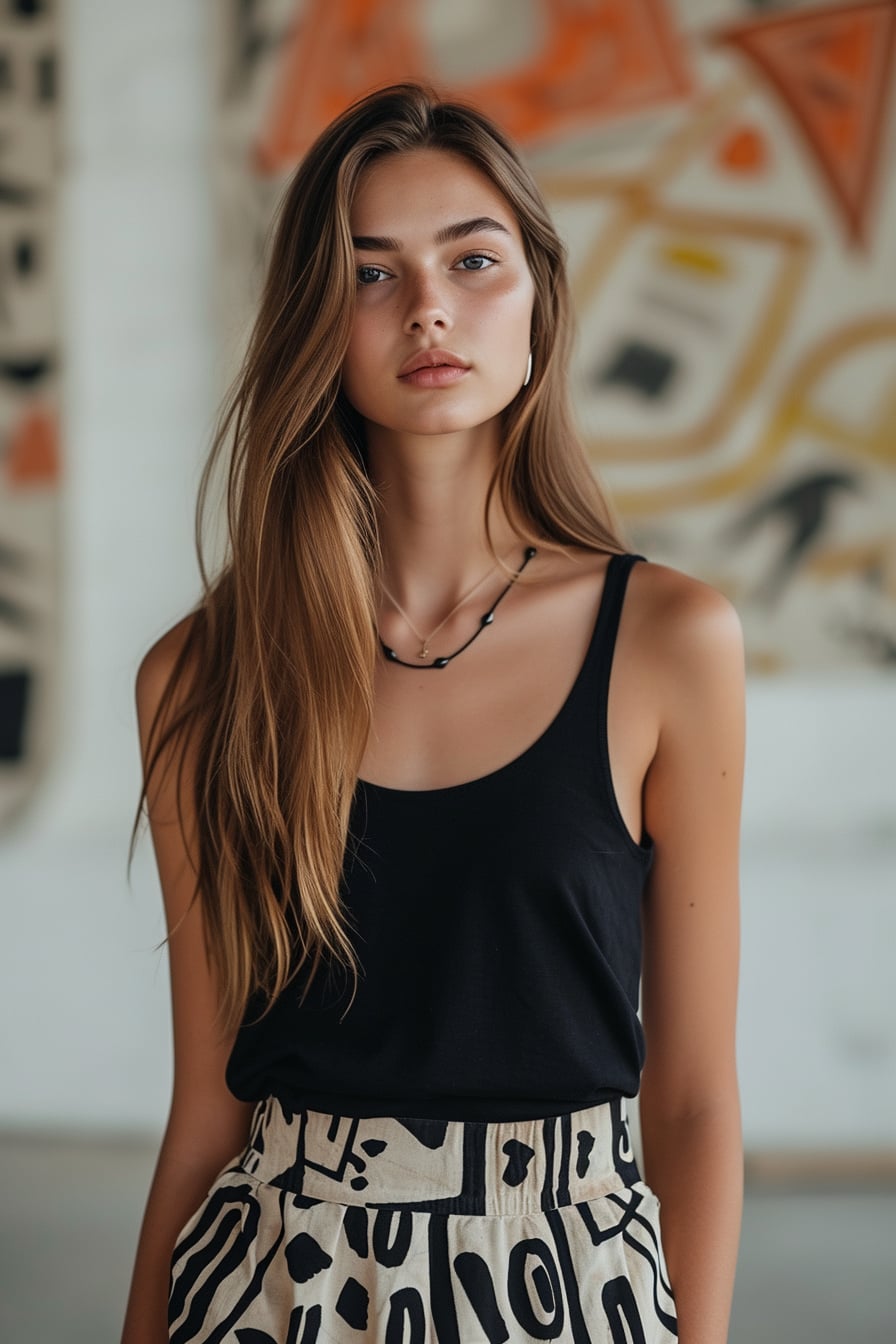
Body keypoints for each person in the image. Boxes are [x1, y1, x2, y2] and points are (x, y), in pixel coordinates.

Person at [121, 83, 744, 1344]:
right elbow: (206, 1111)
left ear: (536, 299)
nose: (430, 309)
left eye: (474, 259)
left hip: (568, 1282)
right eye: (370, 274)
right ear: (316, 321)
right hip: (275, 1292)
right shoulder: (200, 676)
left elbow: (688, 1103)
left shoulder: (670, 642)